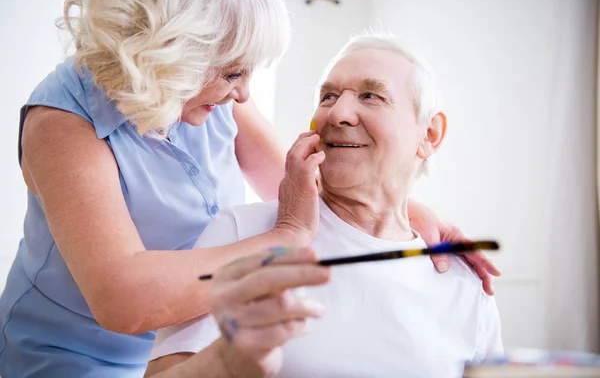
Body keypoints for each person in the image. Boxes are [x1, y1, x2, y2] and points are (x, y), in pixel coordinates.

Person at [0, 0, 499, 376]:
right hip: (66, 359)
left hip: (169, 347)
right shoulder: (61, 124)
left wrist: (409, 213)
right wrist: (285, 239)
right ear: (175, 55)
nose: (243, 95)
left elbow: (315, 183)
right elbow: (123, 299)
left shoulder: (207, 93)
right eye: (234, 72)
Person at [144, 32, 504, 378]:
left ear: (429, 135)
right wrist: (230, 363)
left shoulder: (463, 279)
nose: (338, 114)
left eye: (371, 96)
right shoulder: (242, 232)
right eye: (328, 97)